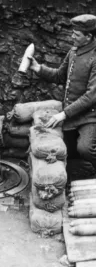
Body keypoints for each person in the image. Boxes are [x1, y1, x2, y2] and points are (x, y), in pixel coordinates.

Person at [29, 14, 96, 174]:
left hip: (89, 116)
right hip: (71, 116)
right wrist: (38, 68)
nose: (72, 37)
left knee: (85, 149)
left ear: (89, 36)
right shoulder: (73, 52)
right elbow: (60, 75)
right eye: (73, 32)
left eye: (77, 35)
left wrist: (62, 115)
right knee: (67, 153)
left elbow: (92, 96)